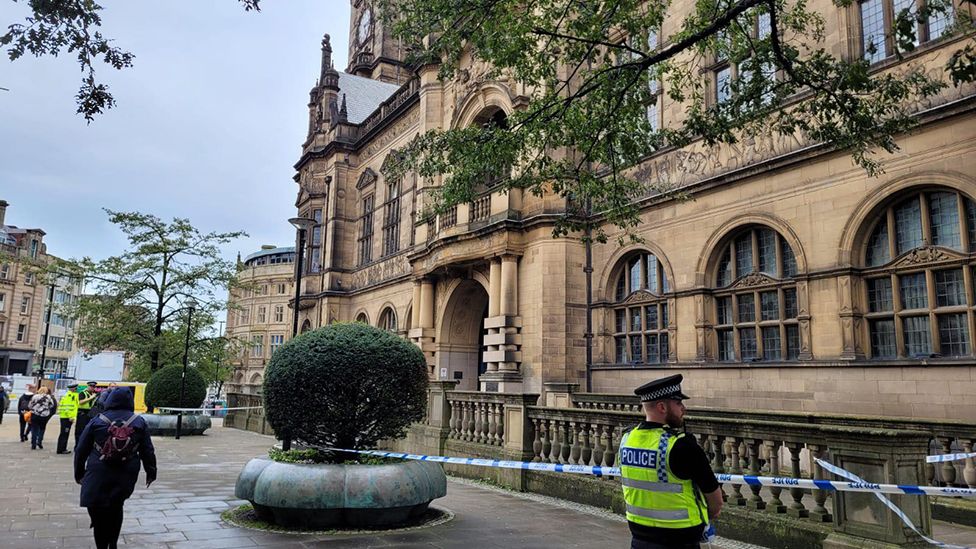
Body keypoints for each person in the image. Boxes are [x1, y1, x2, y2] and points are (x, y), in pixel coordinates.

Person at [619, 374, 723, 549]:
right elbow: (716, 501)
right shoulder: (681, 445)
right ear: (662, 407)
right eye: (678, 403)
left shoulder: (627, 439)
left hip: (639, 539)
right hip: (680, 542)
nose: (684, 408)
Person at [75, 388, 156, 549]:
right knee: (116, 506)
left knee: (96, 506)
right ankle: (113, 543)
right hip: (126, 471)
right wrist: (151, 471)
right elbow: (147, 450)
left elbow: (81, 449)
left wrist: (79, 472)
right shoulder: (139, 421)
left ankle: (101, 543)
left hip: (99, 470)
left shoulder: (97, 420)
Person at [57, 382, 81, 454]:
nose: (77, 389)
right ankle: (61, 449)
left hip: (65, 416)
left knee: (64, 433)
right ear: (73, 388)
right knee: (65, 433)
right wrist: (71, 416)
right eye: (76, 388)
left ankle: (61, 448)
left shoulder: (69, 395)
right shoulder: (70, 396)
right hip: (66, 417)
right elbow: (68, 407)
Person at [75, 381, 98, 445]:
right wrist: (90, 398)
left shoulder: (93, 394)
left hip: (89, 413)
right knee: (80, 430)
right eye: (91, 386)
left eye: (94, 387)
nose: (92, 388)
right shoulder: (82, 393)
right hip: (82, 413)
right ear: (88, 386)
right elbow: (81, 402)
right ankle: (77, 445)